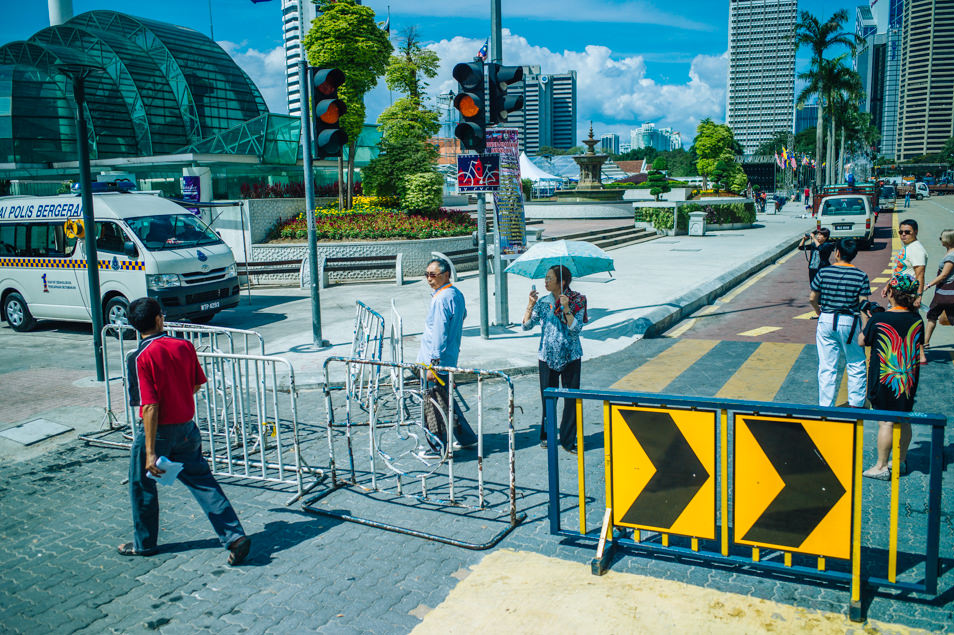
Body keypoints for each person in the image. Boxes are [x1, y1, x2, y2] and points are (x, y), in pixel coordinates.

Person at [120, 297, 251, 564]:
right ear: (159, 319)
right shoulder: (184, 345)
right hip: (187, 427)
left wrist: (149, 452)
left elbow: (149, 406)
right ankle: (234, 536)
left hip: (158, 432)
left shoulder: (139, 357)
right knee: (203, 482)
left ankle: (144, 544)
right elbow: (195, 385)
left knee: (142, 485)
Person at [860, 275, 924, 479]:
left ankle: (881, 466)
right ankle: (900, 461)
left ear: (891, 293)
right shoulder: (917, 319)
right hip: (907, 380)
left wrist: (867, 317)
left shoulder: (880, 319)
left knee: (886, 422)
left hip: (885, 380)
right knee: (904, 418)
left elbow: (863, 340)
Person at [522, 265, 586, 452]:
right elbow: (526, 326)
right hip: (546, 357)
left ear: (562, 281)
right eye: (546, 278)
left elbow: (576, 328)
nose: (546, 281)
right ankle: (547, 435)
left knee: (571, 399)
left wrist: (566, 308)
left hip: (571, 356)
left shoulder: (577, 301)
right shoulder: (543, 303)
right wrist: (530, 305)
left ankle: (568, 440)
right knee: (548, 398)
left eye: (550, 278)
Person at [417, 258, 478, 451]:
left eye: (433, 275)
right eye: (427, 274)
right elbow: (462, 315)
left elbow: (439, 334)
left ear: (446, 275)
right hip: (448, 357)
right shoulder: (455, 294)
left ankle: (437, 445)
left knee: (433, 405)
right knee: (446, 400)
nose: (429, 278)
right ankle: (466, 437)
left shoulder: (442, 298)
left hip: (436, 361)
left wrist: (432, 365)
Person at [809, 238, 872, 408]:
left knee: (827, 365)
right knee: (856, 361)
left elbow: (812, 298)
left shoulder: (824, 272)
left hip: (827, 319)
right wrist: (864, 330)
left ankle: (825, 405)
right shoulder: (861, 275)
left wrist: (819, 312)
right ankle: (857, 403)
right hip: (850, 321)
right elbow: (863, 304)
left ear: (837, 253)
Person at [923, 229, 954, 350]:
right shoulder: (949, 252)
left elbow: (944, 275)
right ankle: (925, 342)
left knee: (932, 315)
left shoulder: (951, 256)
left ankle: (925, 342)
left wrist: (928, 285)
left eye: (941, 238)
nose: (940, 240)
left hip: (946, 292)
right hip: (943, 292)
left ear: (948, 239)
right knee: (932, 315)